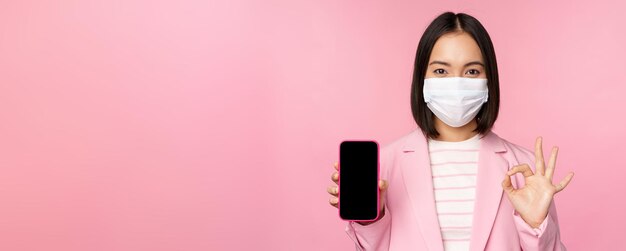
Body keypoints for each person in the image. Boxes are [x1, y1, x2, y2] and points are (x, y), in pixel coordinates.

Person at [326, 12, 574, 251]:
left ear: (489, 81)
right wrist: (372, 219)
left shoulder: (525, 168)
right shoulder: (385, 167)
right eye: (441, 71)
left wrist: (536, 225)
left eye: (472, 71)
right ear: (422, 79)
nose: (456, 82)